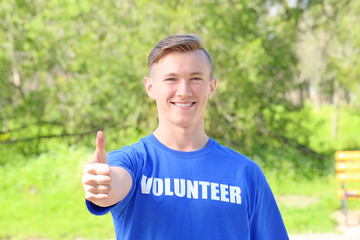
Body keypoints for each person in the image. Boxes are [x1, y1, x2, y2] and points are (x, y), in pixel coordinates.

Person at [82, 34, 289, 240]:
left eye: (195, 79)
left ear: (212, 86)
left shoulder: (246, 174)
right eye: (171, 79)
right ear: (150, 87)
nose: (184, 91)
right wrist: (102, 184)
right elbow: (115, 184)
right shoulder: (133, 162)